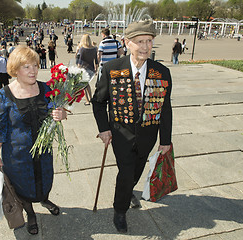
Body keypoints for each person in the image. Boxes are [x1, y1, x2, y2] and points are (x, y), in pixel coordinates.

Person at [92, 20, 173, 233]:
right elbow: (99, 102)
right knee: (126, 172)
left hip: (148, 134)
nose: (145, 46)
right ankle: (120, 210)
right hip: (121, 134)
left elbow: (165, 108)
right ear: (127, 42)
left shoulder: (161, 72)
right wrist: (104, 129)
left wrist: (166, 140)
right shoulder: (111, 69)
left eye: (149, 41)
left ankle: (128, 192)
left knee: (137, 169)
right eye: (140, 42)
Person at [0, 46, 67, 235]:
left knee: (44, 179)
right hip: (17, 154)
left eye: (35, 65)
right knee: (22, 185)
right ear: (15, 69)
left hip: (43, 150)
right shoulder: (3, 95)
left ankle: (43, 199)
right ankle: (30, 212)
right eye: (26, 67)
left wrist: (61, 114)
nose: (33, 70)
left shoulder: (46, 88)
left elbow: (57, 112)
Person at [78, 34, 98, 105]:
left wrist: (77, 69)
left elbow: (80, 61)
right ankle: (90, 98)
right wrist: (96, 69)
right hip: (91, 68)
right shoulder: (94, 48)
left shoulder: (82, 49)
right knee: (86, 84)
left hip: (84, 69)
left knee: (84, 85)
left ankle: (87, 100)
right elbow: (96, 60)